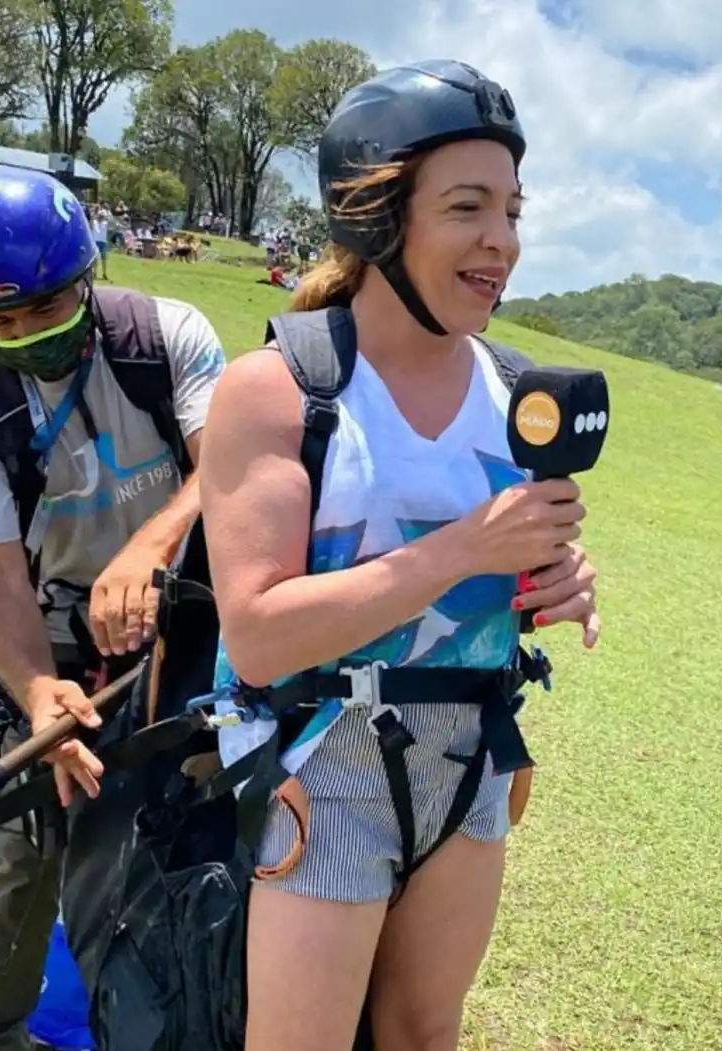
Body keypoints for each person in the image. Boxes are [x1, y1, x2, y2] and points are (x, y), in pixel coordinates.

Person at [197, 60, 600, 1051]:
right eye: (466, 207)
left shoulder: (515, 391)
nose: (500, 240)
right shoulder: (280, 387)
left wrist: (553, 584)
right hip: (320, 763)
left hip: (467, 759)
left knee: (425, 1036)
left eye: (511, 208)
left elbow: (502, 582)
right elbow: (254, 638)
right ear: (377, 217)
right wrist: (464, 547)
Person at [0, 164, 226, 1051]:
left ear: (85, 277)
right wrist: (36, 694)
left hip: (184, 621)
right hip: (53, 633)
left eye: (44, 310)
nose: (22, 335)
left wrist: (151, 545)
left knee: (175, 823)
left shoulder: (169, 337)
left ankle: (179, 1012)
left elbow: (232, 469)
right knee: (30, 834)